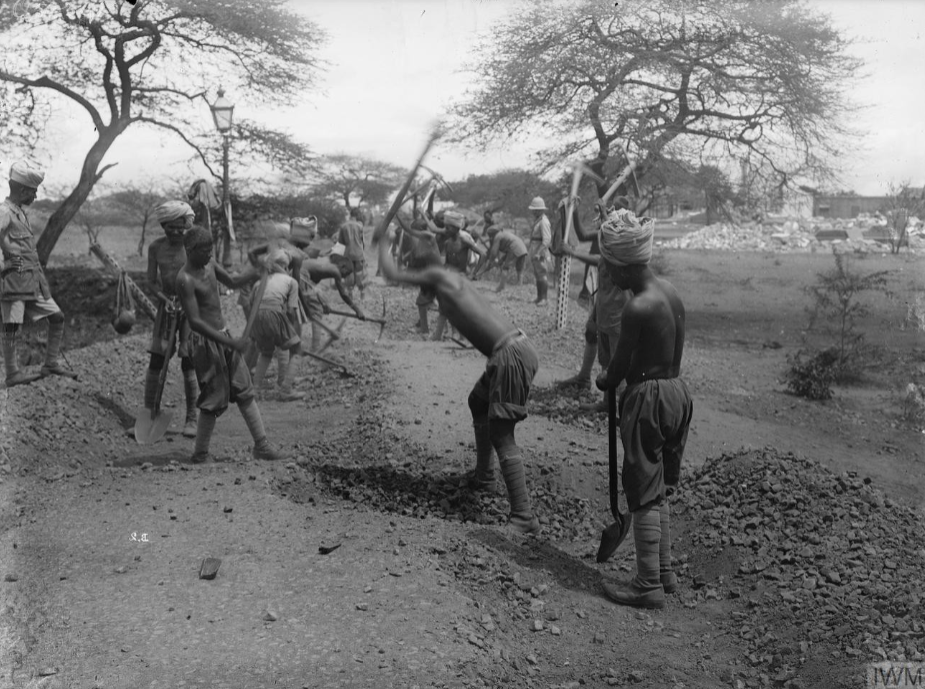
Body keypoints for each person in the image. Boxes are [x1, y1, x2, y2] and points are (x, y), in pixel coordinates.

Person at [375, 224, 542, 535]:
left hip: (510, 355)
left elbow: (391, 274)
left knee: (502, 435)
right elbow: (424, 245)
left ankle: (523, 516)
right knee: (477, 402)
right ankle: (484, 478)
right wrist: (417, 234)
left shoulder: (437, 277)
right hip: (511, 350)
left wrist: (381, 239)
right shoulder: (450, 276)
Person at [593, 212, 693, 610]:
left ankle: (647, 584)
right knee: (658, 488)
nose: (608, 276)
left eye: (607, 267)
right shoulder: (670, 293)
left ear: (620, 266)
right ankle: (663, 571)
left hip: (648, 398)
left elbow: (618, 368)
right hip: (676, 394)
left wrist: (605, 381)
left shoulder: (636, 307)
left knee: (642, 490)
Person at [175, 226, 288, 463]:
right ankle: (200, 453)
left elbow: (234, 281)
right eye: (204, 251)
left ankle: (262, 445)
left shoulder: (211, 264)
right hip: (205, 344)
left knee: (244, 390)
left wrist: (257, 272)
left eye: (210, 250)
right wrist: (230, 342)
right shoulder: (184, 279)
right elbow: (195, 322)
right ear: (189, 250)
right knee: (212, 398)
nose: (208, 255)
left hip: (224, 336)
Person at [554, 199, 635, 413]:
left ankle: (625, 410)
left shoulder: (622, 246)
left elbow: (605, 253)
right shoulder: (607, 241)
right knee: (606, 360)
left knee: (619, 364)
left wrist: (571, 252)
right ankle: (607, 403)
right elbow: (593, 248)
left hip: (618, 313)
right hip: (605, 307)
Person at [0, 162, 77, 387]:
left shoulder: (20, 213)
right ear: (24, 191)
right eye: (33, 191)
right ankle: (13, 373)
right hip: (12, 282)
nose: (35, 196)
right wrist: (4, 266)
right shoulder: (4, 212)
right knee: (12, 326)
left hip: (32, 282)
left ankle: (50, 363)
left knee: (57, 316)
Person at [140, 201, 201, 436]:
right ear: (163, 226)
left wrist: (188, 301)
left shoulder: (193, 247)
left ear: (186, 227)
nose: (176, 232)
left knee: (189, 361)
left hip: (191, 309)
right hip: (166, 309)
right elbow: (151, 282)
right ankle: (148, 416)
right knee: (157, 359)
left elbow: (202, 278)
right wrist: (165, 300)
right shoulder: (156, 248)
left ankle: (192, 419)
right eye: (170, 228)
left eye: (180, 228)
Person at [250, 250, 305, 402]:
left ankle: (254, 391)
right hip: (274, 314)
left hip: (257, 316)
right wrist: (289, 331)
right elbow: (292, 310)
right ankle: (286, 390)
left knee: (266, 353)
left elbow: (251, 303)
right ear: (283, 266)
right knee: (297, 350)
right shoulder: (291, 282)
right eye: (288, 267)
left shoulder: (260, 281)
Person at [474, 225, 528, 291]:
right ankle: (520, 284)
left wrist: (490, 261)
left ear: (492, 234)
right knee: (519, 269)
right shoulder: (503, 234)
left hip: (514, 249)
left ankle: (501, 287)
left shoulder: (497, 236)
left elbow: (494, 252)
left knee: (505, 268)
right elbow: (507, 250)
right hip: (523, 249)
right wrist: (502, 260)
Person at [337, 207, 367, 300]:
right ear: (357, 215)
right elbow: (363, 242)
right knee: (360, 273)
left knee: (349, 274)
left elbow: (340, 242)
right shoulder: (360, 226)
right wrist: (363, 252)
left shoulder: (343, 226)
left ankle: (350, 293)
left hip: (348, 254)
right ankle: (362, 293)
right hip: (358, 253)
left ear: (350, 215)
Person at [527, 196, 552, 306]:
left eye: (534, 209)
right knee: (538, 275)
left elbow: (546, 240)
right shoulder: (538, 220)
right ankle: (539, 297)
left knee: (542, 275)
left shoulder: (543, 222)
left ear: (539, 210)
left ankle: (544, 299)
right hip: (535, 250)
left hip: (540, 252)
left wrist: (538, 252)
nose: (533, 212)